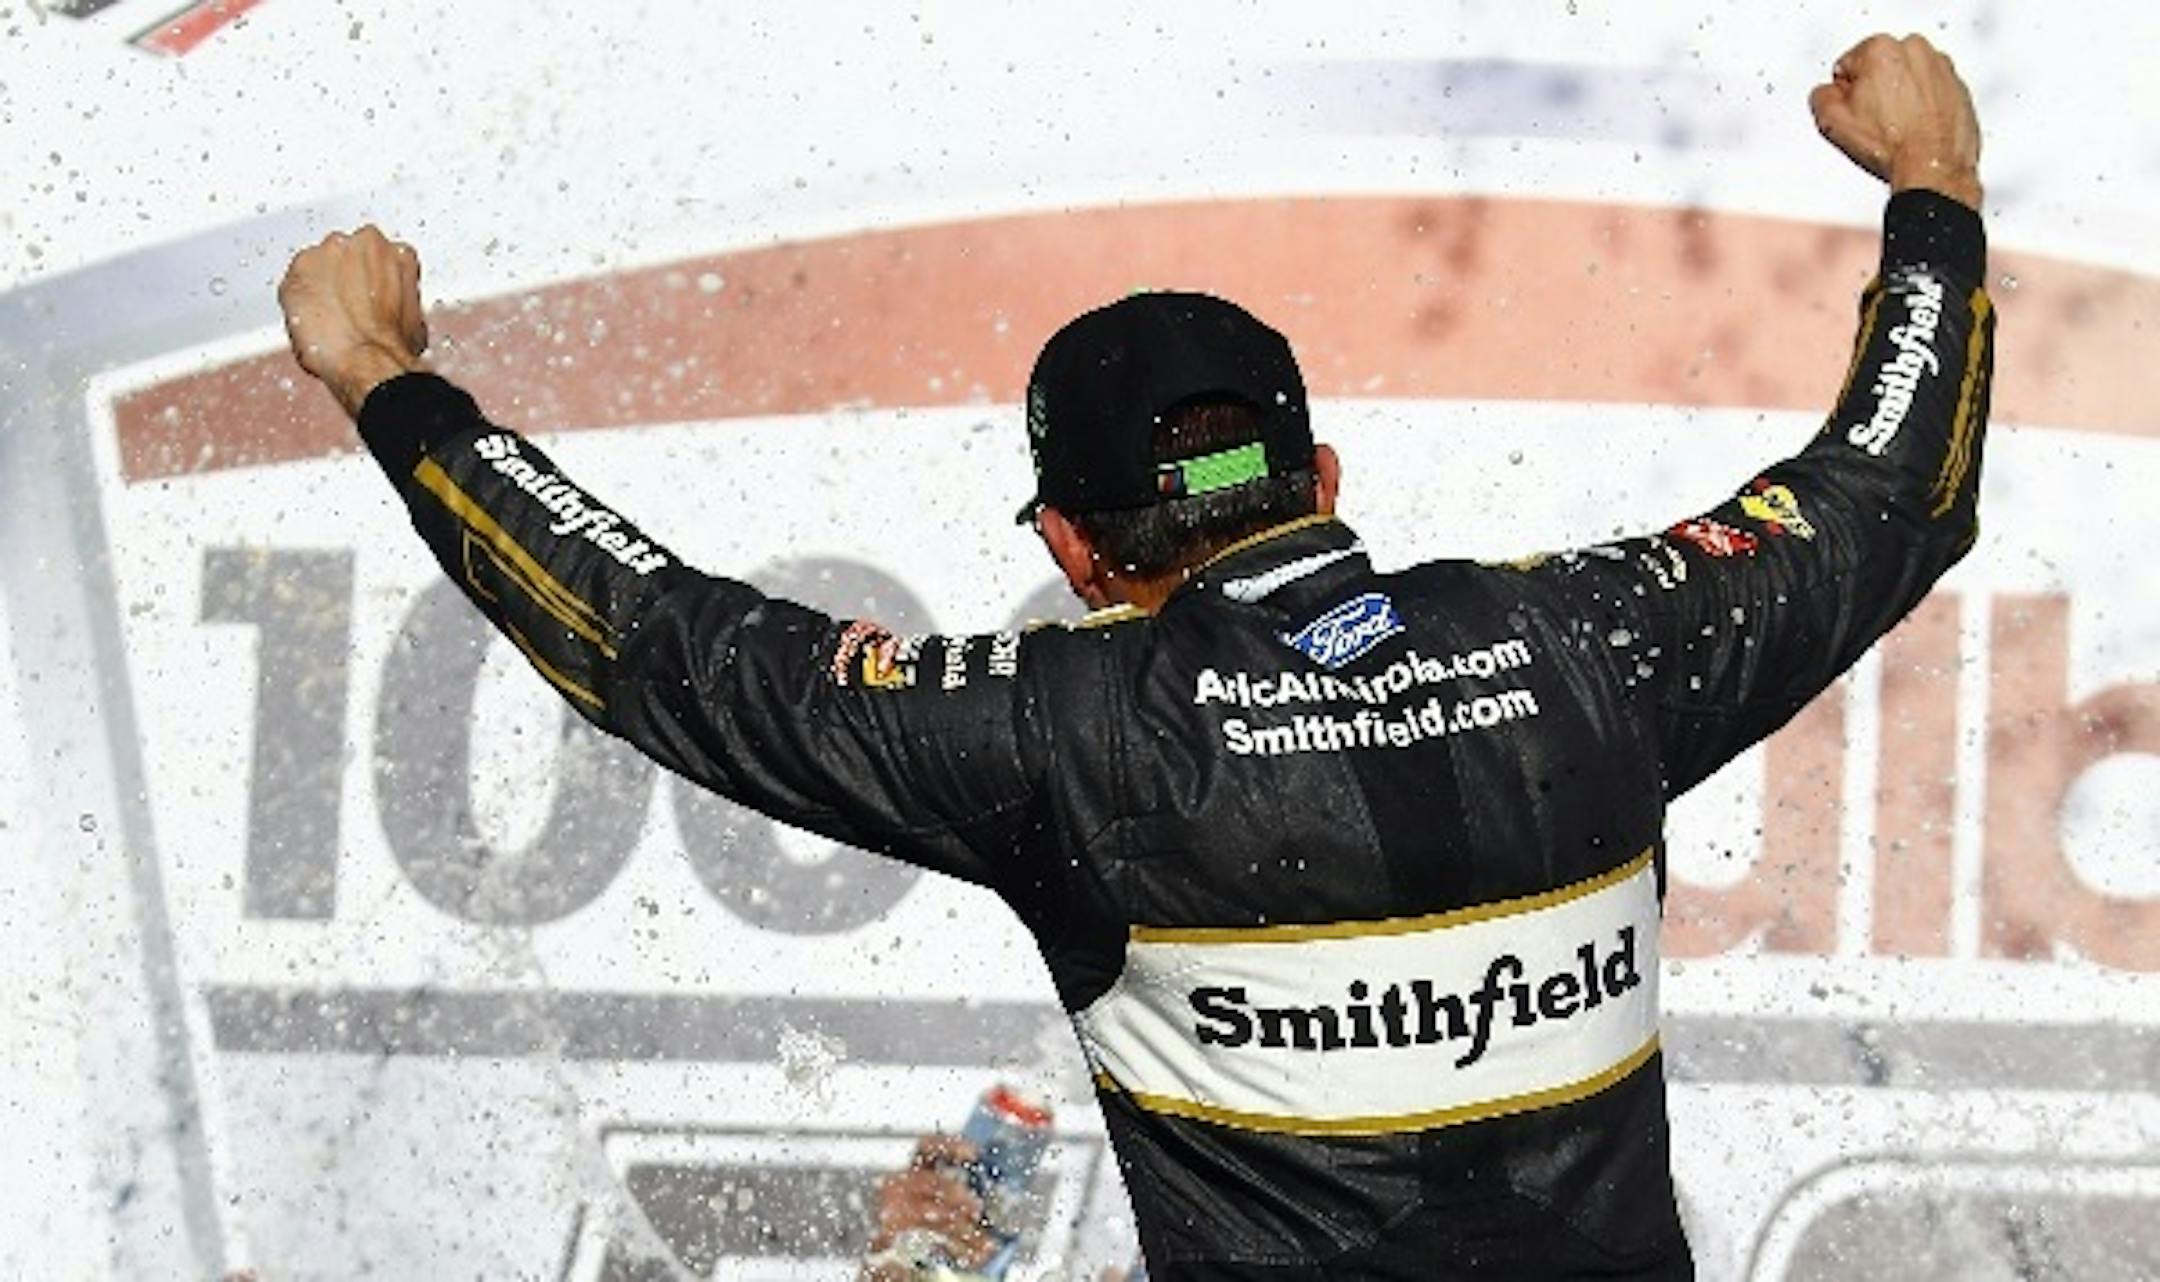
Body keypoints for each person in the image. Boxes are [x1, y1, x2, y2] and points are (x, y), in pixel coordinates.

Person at [277, 33, 1989, 1280]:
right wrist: (1936, 189)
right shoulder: (1594, 641)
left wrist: (392, 385)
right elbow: (1894, 483)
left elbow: (657, 641)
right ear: (1320, 479)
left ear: (1075, 553)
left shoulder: (1060, 734)